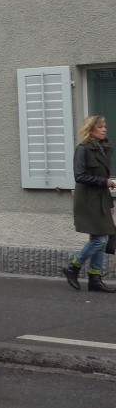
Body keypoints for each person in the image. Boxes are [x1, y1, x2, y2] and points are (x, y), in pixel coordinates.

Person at [63, 115, 116, 293]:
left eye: (105, 126)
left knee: (101, 237)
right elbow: (79, 176)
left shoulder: (103, 149)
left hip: (101, 199)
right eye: (100, 127)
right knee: (101, 238)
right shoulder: (83, 149)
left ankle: (95, 279)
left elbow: (103, 179)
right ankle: (73, 266)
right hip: (87, 200)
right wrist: (105, 183)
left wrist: (109, 201)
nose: (104, 129)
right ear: (91, 130)